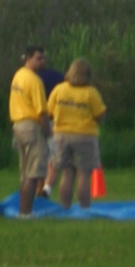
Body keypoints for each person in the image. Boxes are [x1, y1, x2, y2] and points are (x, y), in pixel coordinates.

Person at [47, 58, 106, 210]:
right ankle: (84, 208)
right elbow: (100, 115)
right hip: (84, 136)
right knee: (84, 175)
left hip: (61, 135)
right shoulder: (91, 93)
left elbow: (49, 112)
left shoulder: (59, 89)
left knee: (66, 174)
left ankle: (65, 206)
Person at [8, 46, 52, 216]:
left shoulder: (18, 75)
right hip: (32, 127)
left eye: (43, 58)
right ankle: (26, 213)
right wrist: (49, 136)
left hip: (18, 125)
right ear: (28, 58)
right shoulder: (34, 81)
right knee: (34, 173)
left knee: (25, 172)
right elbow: (41, 112)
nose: (42, 62)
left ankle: (23, 210)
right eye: (38, 58)